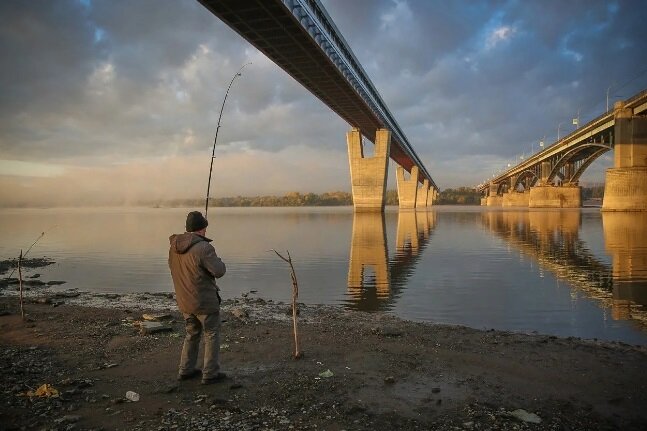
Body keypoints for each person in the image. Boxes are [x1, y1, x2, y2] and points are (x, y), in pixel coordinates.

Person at [168, 211, 227, 384]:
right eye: (205, 228)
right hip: (204, 301)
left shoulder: (173, 247)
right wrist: (218, 259)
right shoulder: (204, 248)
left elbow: (173, 268)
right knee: (211, 334)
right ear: (202, 229)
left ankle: (185, 370)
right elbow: (219, 271)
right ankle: (210, 374)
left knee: (192, 334)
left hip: (185, 300)